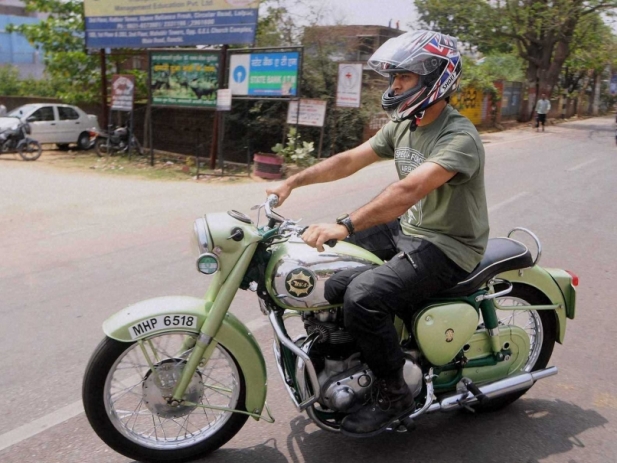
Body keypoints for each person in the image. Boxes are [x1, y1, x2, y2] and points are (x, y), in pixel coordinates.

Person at [266, 30, 489, 437]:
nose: (395, 86)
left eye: (404, 77)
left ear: (435, 77)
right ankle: (349, 352)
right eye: (394, 78)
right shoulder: (405, 124)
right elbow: (351, 159)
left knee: (365, 296)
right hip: (411, 229)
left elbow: (407, 191)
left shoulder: (460, 137)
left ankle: (394, 392)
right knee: (328, 264)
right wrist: (292, 182)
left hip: (449, 245)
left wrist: (345, 222)